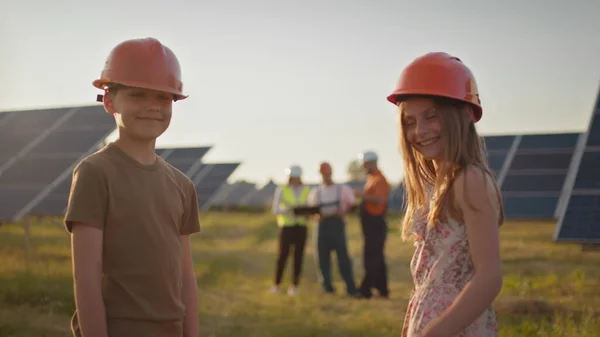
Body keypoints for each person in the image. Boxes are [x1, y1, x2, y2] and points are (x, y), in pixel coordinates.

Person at [64, 37, 200, 337]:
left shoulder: (182, 185)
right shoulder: (95, 173)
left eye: (163, 98)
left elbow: (186, 276)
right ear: (110, 101)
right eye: (138, 95)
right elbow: (85, 279)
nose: (152, 107)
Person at [387, 52, 504, 337]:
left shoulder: (470, 180)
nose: (419, 131)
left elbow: (489, 278)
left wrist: (435, 332)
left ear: (464, 115)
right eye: (410, 121)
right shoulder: (439, 183)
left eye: (431, 117)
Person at [308, 162, 359, 297]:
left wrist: (342, 213)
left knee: (343, 258)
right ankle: (327, 287)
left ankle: (351, 288)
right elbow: (311, 211)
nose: (325, 175)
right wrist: (317, 215)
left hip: (337, 225)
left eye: (327, 172)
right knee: (322, 258)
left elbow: (353, 205)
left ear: (331, 172)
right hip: (322, 226)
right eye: (323, 173)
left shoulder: (342, 189)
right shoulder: (315, 192)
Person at [270, 165, 312, 296]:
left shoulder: (307, 190)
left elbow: (311, 207)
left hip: (301, 226)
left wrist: (305, 212)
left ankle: (294, 286)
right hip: (286, 227)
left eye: (296, 177)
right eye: (292, 177)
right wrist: (288, 210)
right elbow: (275, 209)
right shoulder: (281, 190)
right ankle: (276, 284)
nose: (294, 179)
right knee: (282, 256)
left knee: (298, 257)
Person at [354, 150, 391, 299]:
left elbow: (380, 200)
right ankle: (383, 290)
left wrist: (361, 195)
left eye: (365, 164)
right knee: (377, 257)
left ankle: (365, 290)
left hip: (376, 224)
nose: (363, 167)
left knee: (371, 257)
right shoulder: (372, 179)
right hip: (370, 224)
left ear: (371, 163)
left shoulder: (379, 180)